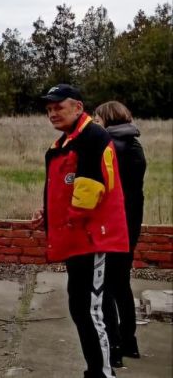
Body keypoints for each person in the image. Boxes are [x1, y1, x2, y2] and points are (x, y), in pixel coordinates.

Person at [34, 84, 129, 378]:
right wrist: (48, 214)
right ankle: (95, 369)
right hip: (77, 240)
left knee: (91, 310)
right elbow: (62, 188)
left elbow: (89, 192)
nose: (52, 114)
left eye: (58, 107)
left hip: (93, 239)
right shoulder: (65, 142)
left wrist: (66, 221)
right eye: (49, 109)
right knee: (80, 308)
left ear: (77, 106)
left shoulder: (92, 137)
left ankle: (103, 373)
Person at [94, 100, 147, 365]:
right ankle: (129, 342)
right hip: (132, 223)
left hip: (113, 224)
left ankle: (113, 348)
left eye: (98, 117)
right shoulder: (135, 145)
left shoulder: (111, 148)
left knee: (104, 288)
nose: (95, 121)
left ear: (108, 119)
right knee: (122, 284)